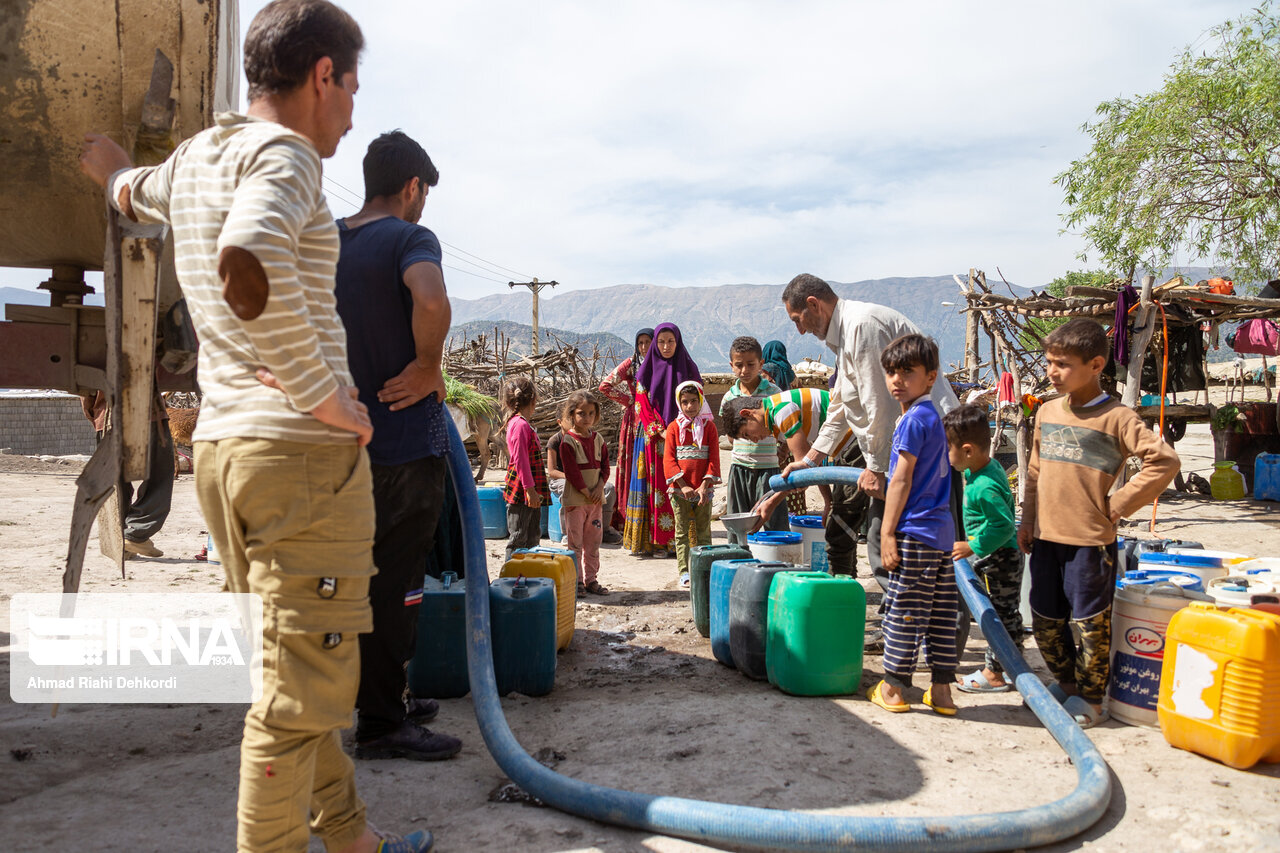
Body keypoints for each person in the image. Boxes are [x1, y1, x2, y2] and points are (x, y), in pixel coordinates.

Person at [78, 2, 432, 850]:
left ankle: (351, 838)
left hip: (229, 454)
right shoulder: (288, 156)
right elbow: (255, 254)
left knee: (292, 665)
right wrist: (322, 395)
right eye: (352, 86)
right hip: (299, 456)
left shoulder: (200, 155)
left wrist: (112, 170)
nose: (353, 108)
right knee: (298, 691)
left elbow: (133, 192)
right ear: (322, 76)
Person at [332, 131, 460, 762]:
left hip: (337, 447)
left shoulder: (326, 240)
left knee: (352, 579)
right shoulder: (410, 239)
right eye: (424, 195)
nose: (424, 207)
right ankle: (382, 724)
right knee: (398, 584)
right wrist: (429, 365)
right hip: (403, 448)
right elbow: (432, 299)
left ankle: (381, 695)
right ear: (412, 187)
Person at [1018, 318, 1179, 728]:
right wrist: (1028, 519)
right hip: (1045, 537)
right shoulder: (1048, 411)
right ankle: (1067, 684)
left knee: (1090, 623)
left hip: (1090, 541)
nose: (1052, 372)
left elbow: (1164, 461)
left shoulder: (1118, 418)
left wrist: (1120, 502)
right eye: (1049, 362)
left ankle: (1091, 698)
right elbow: (1035, 471)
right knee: (1045, 617)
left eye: (1062, 364)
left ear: (1095, 365)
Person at [780, 273, 962, 634]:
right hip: (901, 455)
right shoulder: (846, 336)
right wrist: (811, 459)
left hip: (926, 456)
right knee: (885, 543)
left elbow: (881, 407)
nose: (800, 331)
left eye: (798, 320)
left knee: (924, 552)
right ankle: (905, 629)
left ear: (814, 305)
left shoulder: (862, 328)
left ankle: (929, 637)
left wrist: (876, 469)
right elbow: (841, 406)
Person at [865, 334, 958, 716]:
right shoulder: (934, 416)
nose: (896, 380)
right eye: (891, 372)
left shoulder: (911, 421)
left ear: (931, 376)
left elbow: (901, 480)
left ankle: (894, 689)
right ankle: (942, 693)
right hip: (941, 534)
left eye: (907, 372)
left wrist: (887, 533)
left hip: (915, 532)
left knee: (905, 610)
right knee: (939, 615)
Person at [943, 404, 1022, 693]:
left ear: (967, 451)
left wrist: (972, 546)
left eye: (947, 448)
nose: (945, 454)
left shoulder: (983, 486)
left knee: (997, 615)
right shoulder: (986, 468)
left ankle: (995, 673)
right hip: (995, 556)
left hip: (999, 559)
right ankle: (1013, 665)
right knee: (1005, 613)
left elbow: (1003, 526)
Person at [721, 387, 854, 561]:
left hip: (853, 443)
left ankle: (843, 577)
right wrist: (828, 501)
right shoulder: (776, 417)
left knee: (845, 519)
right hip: (845, 447)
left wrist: (772, 502)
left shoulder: (781, 410)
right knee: (843, 519)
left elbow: (804, 471)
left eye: (747, 434)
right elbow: (811, 464)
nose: (754, 440)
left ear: (748, 414)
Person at [624, 323, 701, 557]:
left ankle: (678, 542)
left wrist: (678, 427)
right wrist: (661, 430)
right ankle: (656, 541)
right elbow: (641, 403)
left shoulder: (688, 368)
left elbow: (695, 398)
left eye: (670, 341)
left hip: (683, 435)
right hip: (654, 438)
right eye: (661, 342)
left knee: (681, 483)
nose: (666, 347)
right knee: (657, 487)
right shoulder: (645, 372)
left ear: (678, 342)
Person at [81, 388, 174, 559]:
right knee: (159, 473)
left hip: (107, 418)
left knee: (115, 482)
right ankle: (135, 533)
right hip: (147, 414)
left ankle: (121, 543)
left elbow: (84, 390)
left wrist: (97, 416)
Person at [718, 336, 786, 545]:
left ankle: (778, 565)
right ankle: (739, 564)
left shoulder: (774, 394)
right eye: (739, 365)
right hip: (739, 468)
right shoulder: (729, 397)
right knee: (739, 526)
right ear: (731, 366)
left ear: (761, 364)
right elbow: (730, 434)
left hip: (769, 469)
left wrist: (782, 447)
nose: (744, 370)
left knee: (774, 523)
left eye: (750, 364)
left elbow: (784, 427)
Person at [663, 381, 721, 587]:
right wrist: (682, 485)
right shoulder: (673, 428)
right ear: (679, 403)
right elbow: (669, 459)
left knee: (704, 531)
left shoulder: (709, 427)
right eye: (685, 402)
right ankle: (684, 571)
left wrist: (704, 486)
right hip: (680, 491)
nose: (690, 406)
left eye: (694, 401)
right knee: (682, 532)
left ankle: (704, 569)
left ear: (701, 400)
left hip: (703, 490)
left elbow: (713, 458)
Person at [598, 328, 653, 533]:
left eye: (648, 342)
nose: (644, 347)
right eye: (640, 343)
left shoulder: (661, 364)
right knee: (632, 466)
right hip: (635, 422)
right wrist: (629, 400)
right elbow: (605, 385)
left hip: (656, 420)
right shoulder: (631, 364)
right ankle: (626, 519)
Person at [558, 391, 611, 595]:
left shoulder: (598, 440)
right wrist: (586, 492)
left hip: (595, 502)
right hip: (576, 502)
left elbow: (605, 467)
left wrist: (599, 487)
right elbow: (571, 473)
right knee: (575, 543)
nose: (586, 418)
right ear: (572, 414)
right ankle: (577, 582)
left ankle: (591, 580)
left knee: (593, 543)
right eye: (581, 413)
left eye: (591, 413)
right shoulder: (568, 442)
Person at [548, 418, 621, 547]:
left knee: (609, 488)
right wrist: (573, 479)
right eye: (568, 419)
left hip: (584, 479)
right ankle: (567, 532)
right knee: (568, 489)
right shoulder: (555, 441)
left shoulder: (589, 439)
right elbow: (552, 471)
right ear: (559, 422)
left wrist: (592, 482)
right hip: (562, 479)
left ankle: (603, 529)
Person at [502, 375, 549, 564]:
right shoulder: (520, 425)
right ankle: (509, 581)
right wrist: (530, 489)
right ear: (534, 400)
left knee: (531, 537)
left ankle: (527, 578)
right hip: (523, 489)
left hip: (529, 489)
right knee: (518, 538)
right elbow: (521, 460)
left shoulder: (520, 424)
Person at [759, 340, 805, 515]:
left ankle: (777, 509)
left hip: (775, 423)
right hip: (794, 425)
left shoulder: (767, 369)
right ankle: (797, 511)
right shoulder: (792, 374)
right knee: (796, 471)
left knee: (779, 470)